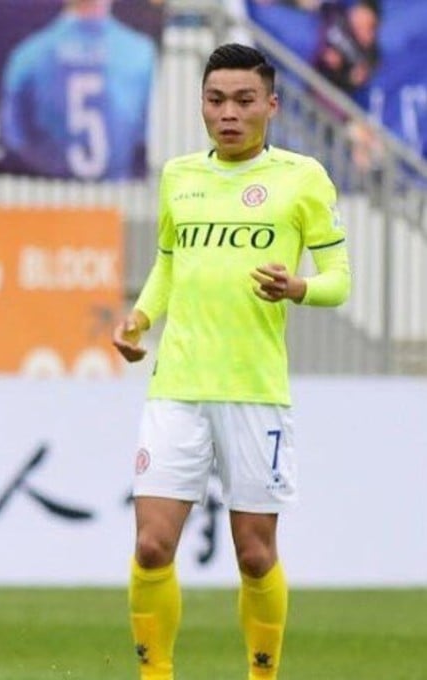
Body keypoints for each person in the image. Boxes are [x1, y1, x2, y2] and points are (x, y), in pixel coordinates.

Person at [112, 44, 350, 680]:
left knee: (253, 553)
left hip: (254, 391)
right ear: (202, 105)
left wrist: (298, 288)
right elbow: (168, 263)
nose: (229, 113)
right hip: (176, 387)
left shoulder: (303, 178)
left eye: (245, 100)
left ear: (271, 105)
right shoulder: (179, 176)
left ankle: (261, 674)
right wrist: (138, 319)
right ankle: (155, 674)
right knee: (152, 543)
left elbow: (339, 280)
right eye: (216, 100)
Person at [0, 0, 156, 180]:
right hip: (118, 191)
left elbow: (14, 135)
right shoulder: (141, 53)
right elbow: (147, 132)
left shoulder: (28, 54)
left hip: (46, 190)